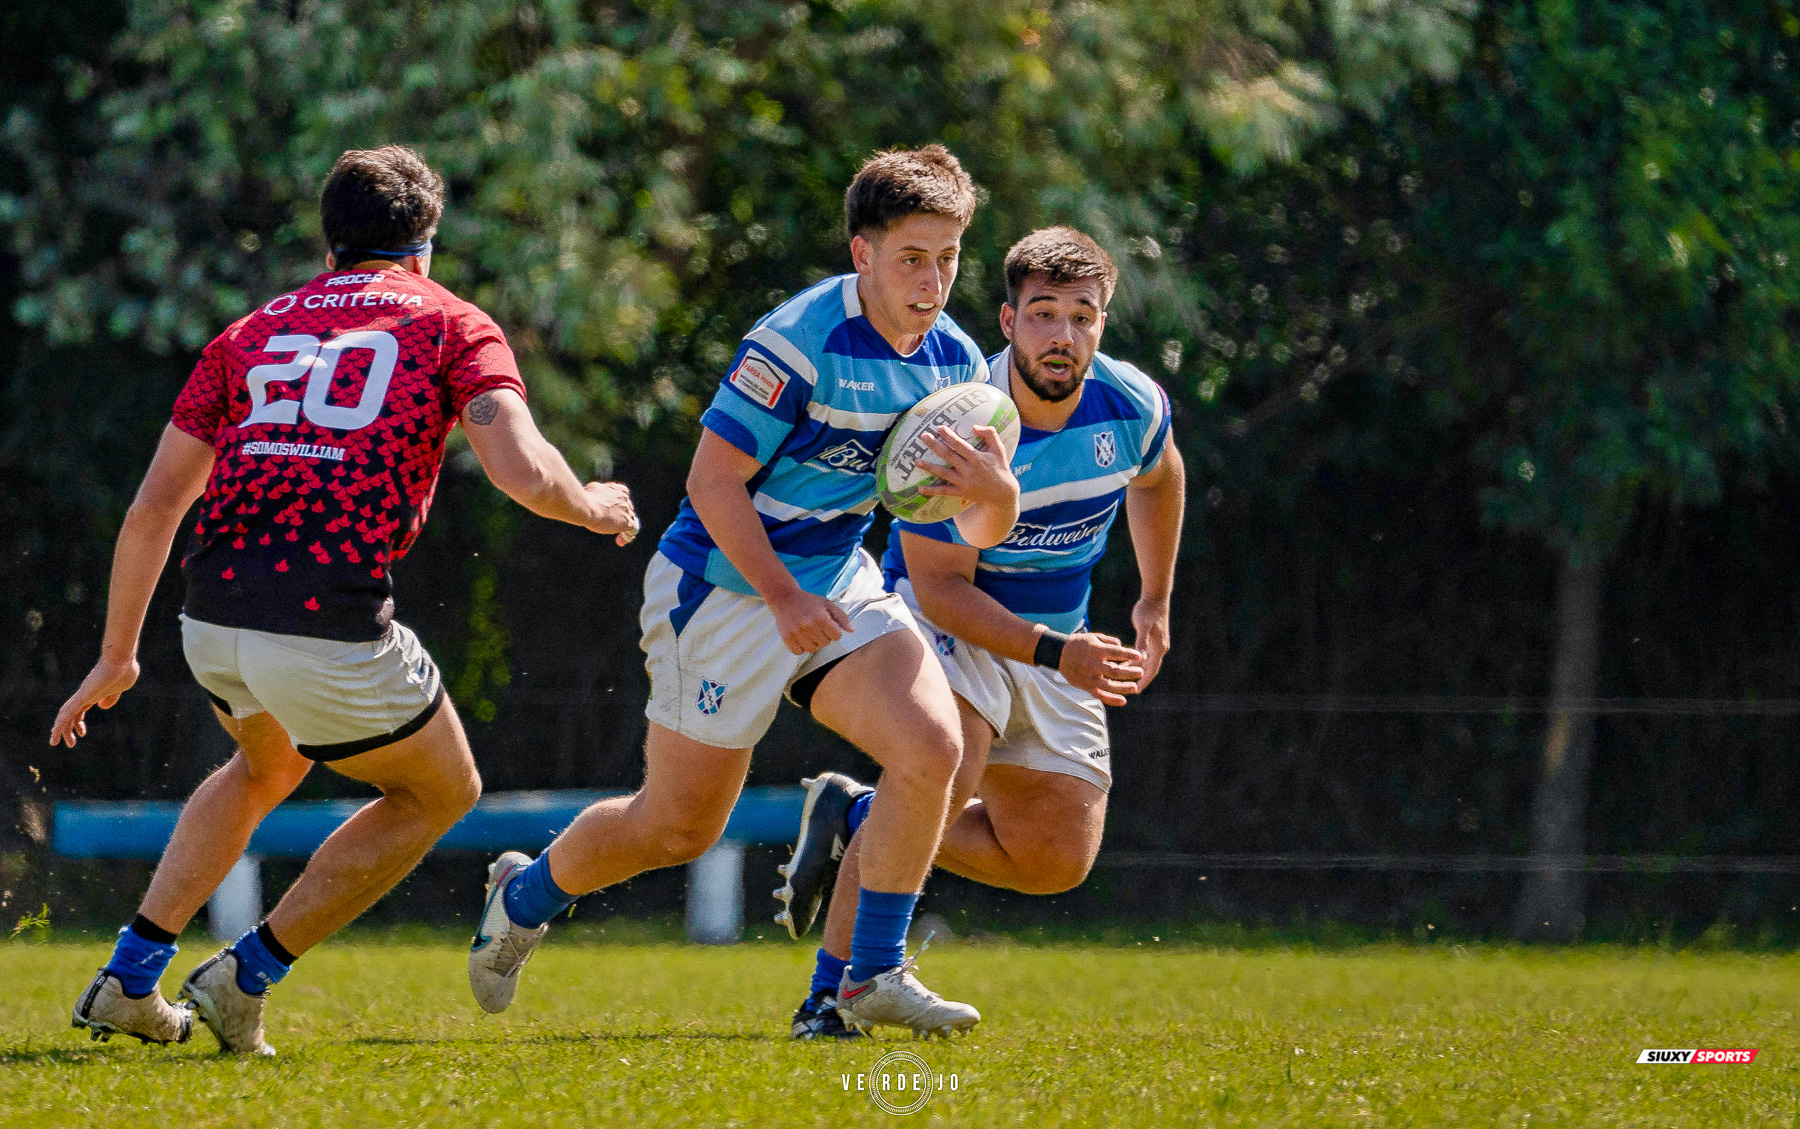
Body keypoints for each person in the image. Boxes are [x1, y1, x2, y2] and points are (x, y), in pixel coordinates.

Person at [50, 145, 638, 1054]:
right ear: (425, 247)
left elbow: (155, 505)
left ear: (330, 247)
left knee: (265, 767)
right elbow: (522, 471)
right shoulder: (453, 323)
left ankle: (129, 979)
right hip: (322, 624)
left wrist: (118, 653)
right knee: (441, 789)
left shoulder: (250, 331)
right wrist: (595, 505)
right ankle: (246, 975)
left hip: (212, 616)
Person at [468, 145, 1018, 1038]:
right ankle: (523, 893)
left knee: (933, 748)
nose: (933, 280)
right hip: (721, 590)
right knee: (676, 828)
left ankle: (860, 980)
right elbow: (711, 482)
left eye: (949, 257)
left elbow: (959, 524)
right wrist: (782, 596)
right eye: (913, 257)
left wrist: (999, 498)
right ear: (863, 253)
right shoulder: (796, 342)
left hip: (836, 577)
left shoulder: (956, 365)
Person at [775, 227, 1185, 1039]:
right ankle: (829, 997)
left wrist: (1155, 599)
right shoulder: (959, 419)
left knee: (1053, 860)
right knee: (940, 765)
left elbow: (1160, 474)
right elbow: (940, 587)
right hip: (948, 621)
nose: (1062, 335)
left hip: (1056, 635)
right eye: (1043, 313)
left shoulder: (1132, 403)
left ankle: (859, 814)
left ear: (1102, 324)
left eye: (1082, 316)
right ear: (1007, 320)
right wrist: (1058, 652)